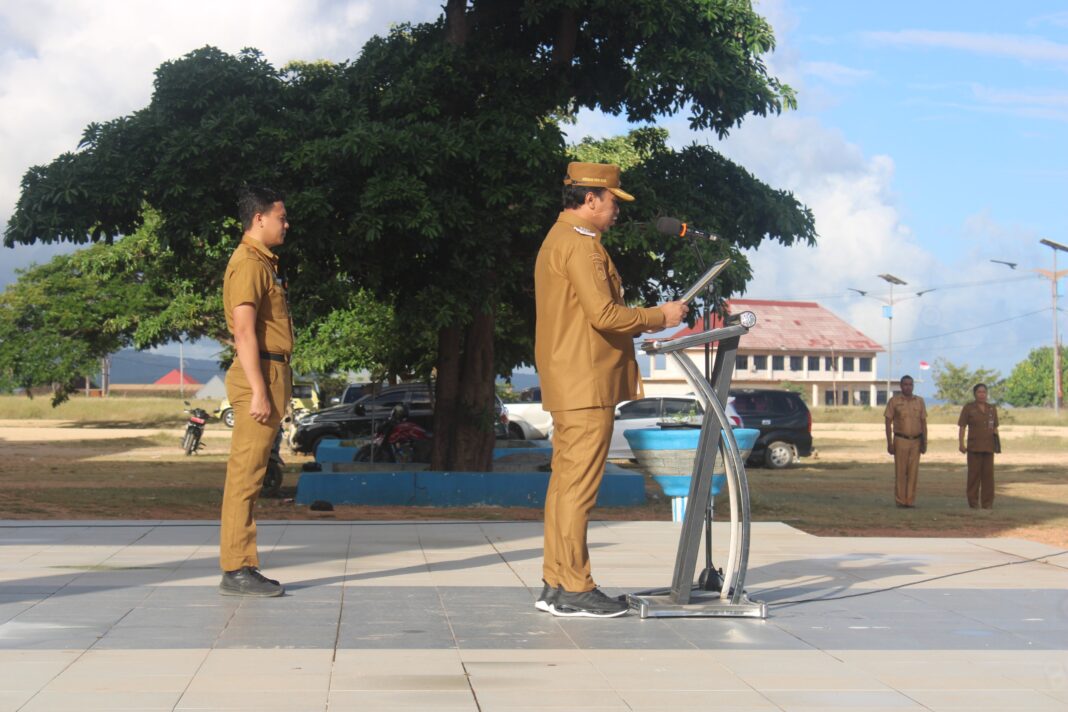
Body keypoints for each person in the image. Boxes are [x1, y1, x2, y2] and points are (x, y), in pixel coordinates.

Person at [534, 162, 688, 618]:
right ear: (590, 199)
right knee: (577, 489)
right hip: (587, 381)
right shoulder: (581, 248)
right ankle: (576, 588)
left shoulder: (557, 239)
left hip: (571, 378)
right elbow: (604, 315)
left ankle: (557, 583)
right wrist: (662, 316)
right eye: (612, 201)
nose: (616, 210)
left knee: (564, 487)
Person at [218, 186, 293, 597]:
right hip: (258, 373)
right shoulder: (247, 263)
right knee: (245, 477)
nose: (287, 224)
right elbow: (243, 331)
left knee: (254, 475)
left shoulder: (264, 263)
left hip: (270, 370)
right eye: (281, 217)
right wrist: (259, 391)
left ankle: (241, 564)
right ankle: (237, 567)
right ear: (259, 219)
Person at [883, 375, 927, 508]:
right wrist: (889, 443)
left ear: (913, 386)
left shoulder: (919, 401)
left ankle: (910, 500)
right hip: (900, 440)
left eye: (910, 384)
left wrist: (925, 442)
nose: (908, 387)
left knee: (913, 472)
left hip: (916, 441)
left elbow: (924, 423)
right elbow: (887, 422)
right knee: (901, 472)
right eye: (905, 384)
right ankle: (900, 500)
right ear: (901, 386)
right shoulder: (894, 401)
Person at [957, 383, 999, 510]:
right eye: (979, 392)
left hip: (988, 447)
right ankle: (973, 502)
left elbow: (995, 428)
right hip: (974, 447)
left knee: (988, 477)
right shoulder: (969, 408)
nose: (982, 394)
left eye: (984, 392)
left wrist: (997, 445)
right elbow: (962, 426)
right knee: (973, 476)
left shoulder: (992, 409)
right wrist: (961, 443)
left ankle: (987, 503)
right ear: (975, 394)